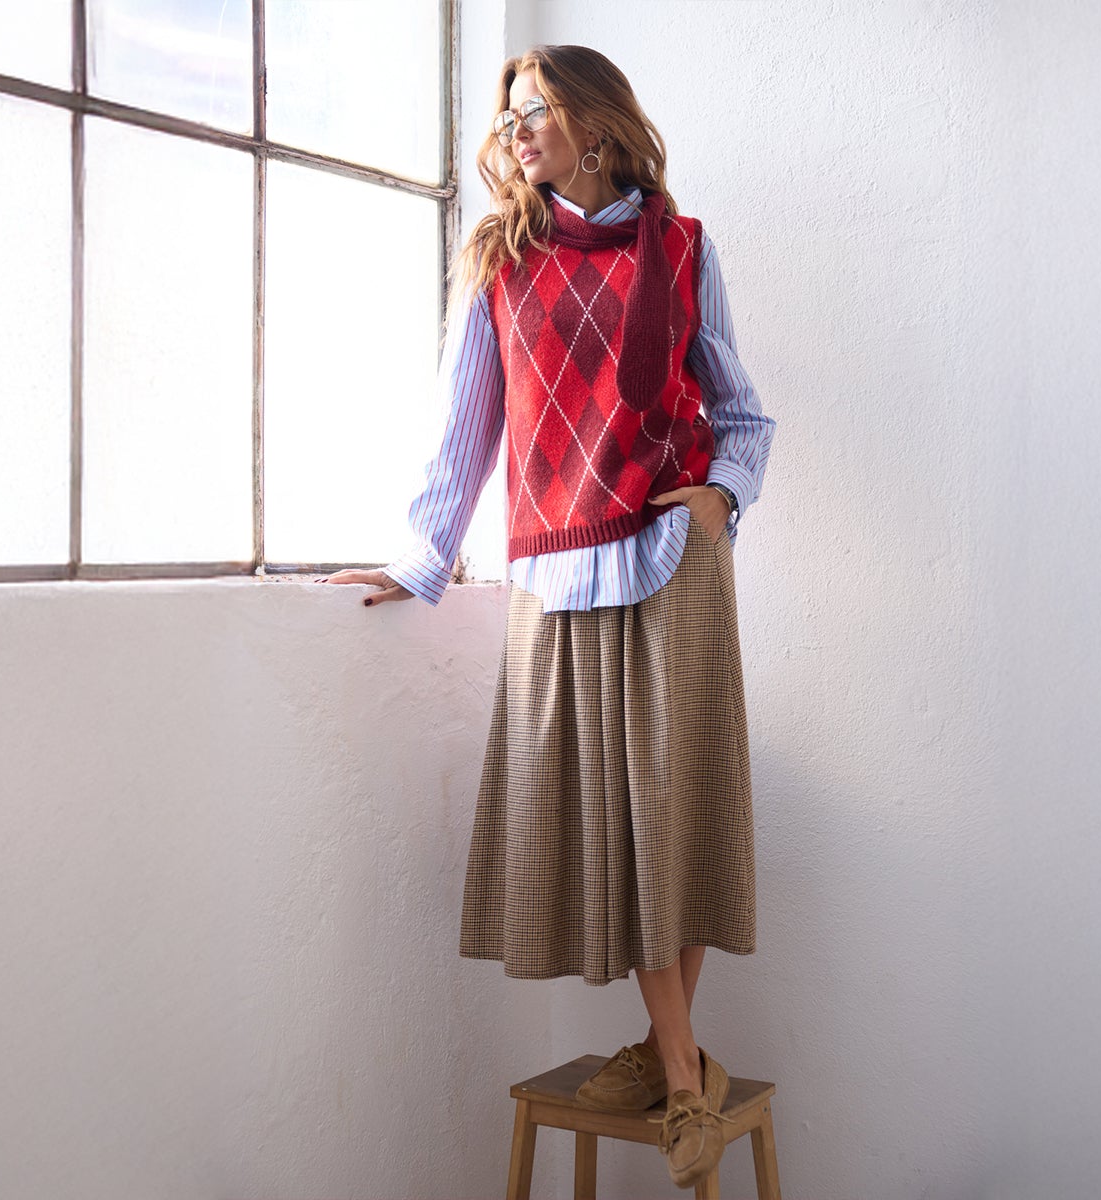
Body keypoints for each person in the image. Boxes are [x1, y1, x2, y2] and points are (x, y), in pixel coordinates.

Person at [318, 43, 776, 1190]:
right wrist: (418, 558)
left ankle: (672, 1067)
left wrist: (721, 496)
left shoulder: (682, 247)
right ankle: (680, 1062)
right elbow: (464, 420)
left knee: (675, 805)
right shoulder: (499, 259)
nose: (516, 131)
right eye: (509, 115)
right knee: (610, 817)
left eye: (536, 111)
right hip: (558, 569)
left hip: (672, 559)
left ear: (596, 124)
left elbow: (738, 409)